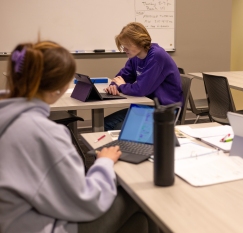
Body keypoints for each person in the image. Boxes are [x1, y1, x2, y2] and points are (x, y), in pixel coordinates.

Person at [0, 41, 158, 233]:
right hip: (42, 226)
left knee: (138, 222)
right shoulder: (43, 133)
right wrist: (104, 163)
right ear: (58, 87)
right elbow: (86, 201)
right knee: (139, 196)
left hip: (15, 219)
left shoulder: (8, 117)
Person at [104, 22, 182, 131]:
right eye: (123, 45)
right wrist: (114, 85)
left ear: (140, 42)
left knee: (119, 128)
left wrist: (121, 86)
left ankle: (125, 148)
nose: (124, 49)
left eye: (127, 45)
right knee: (104, 124)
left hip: (164, 111)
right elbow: (122, 77)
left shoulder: (156, 56)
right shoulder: (135, 57)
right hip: (147, 107)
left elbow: (141, 90)